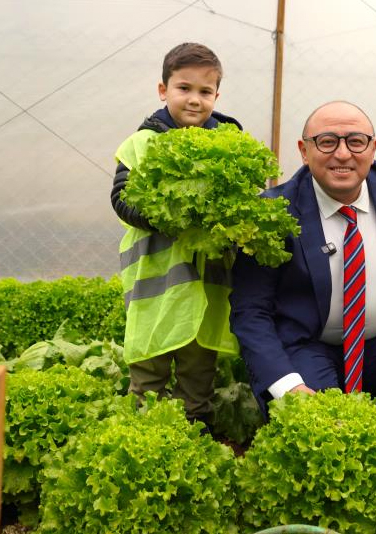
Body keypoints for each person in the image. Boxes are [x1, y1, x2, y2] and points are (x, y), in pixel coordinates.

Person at [229, 100, 376, 435]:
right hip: (307, 343)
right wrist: (287, 386)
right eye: (327, 141)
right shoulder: (273, 214)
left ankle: (372, 428)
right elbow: (250, 312)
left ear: (373, 148)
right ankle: (342, 425)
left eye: (356, 141)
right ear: (303, 150)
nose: (343, 154)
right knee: (312, 419)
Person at [110, 42, 242, 427]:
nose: (194, 100)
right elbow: (121, 200)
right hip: (155, 287)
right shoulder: (142, 144)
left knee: (198, 371)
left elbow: (247, 203)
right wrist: (175, 219)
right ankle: (142, 437)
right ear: (162, 89)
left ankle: (192, 433)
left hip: (207, 284)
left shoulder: (230, 143)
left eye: (205, 91)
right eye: (184, 88)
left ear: (217, 95)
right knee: (148, 369)